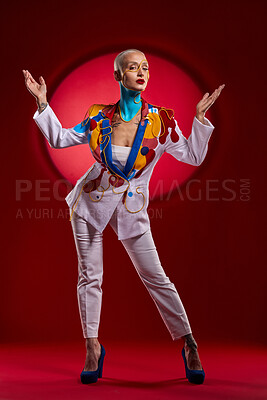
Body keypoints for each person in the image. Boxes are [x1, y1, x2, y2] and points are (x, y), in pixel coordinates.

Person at [22, 49, 225, 385]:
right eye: (132, 68)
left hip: (131, 210)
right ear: (118, 76)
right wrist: (43, 103)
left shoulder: (162, 120)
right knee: (90, 276)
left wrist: (200, 118)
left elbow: (193, 155)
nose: (141, 72)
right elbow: (59, 139)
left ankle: (189, 343)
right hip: (89, 203)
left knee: (156, 277)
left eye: (145, 67)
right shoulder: (98, 116)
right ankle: (92, 347)